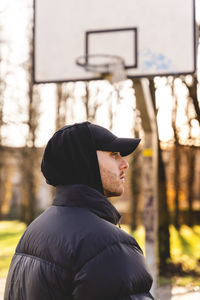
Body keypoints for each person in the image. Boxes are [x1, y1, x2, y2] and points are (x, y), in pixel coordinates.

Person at [4, 121, 154, 300]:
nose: (124, 164)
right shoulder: (107, 246)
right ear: (85, 161)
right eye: (114, 155)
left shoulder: (34, 232)